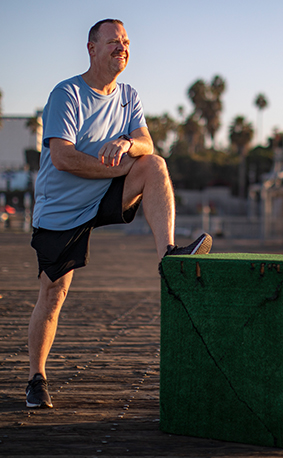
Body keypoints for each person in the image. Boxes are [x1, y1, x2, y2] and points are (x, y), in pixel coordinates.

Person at [26, 19, 212, 409]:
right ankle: (36, 378)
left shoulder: (128, 95)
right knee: (53, 292)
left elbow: (146, 142)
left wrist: (128, 142)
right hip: (61, 211)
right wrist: (116, 167)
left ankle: (169, 257)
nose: (122, 48)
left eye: (125, 42)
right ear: (92, 48)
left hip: (105, 194)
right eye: (113, 42)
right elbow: (62, 157)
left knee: (154, 164)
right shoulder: (67, 93)